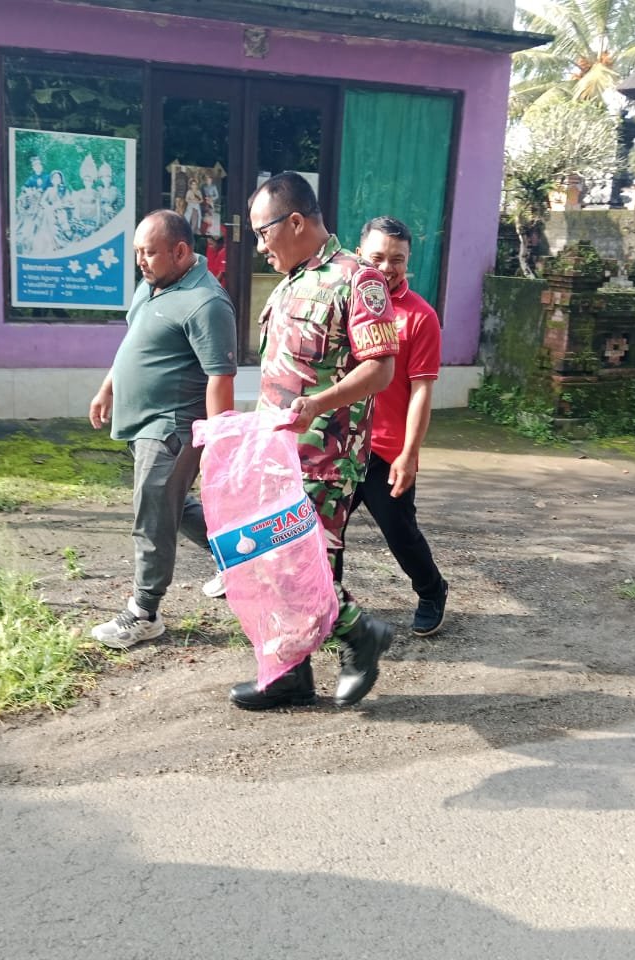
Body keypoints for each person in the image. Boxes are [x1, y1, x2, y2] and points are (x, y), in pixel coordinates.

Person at [228, 171, 398, 711]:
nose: (260, 246)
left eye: (263, 232)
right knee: (276, 561)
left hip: (326, 456)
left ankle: (360, 635)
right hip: (278, 455)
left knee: (294, 565)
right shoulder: (291, 282)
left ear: (296, 221)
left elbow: (380, 368)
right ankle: (290, 675)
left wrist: (318, 405)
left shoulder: (357, 280)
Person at [89, 210, 238, 647]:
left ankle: (144, 612)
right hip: (142, 422)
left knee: (152, 513)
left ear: (180, 251)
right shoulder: (153, 285)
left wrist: (218, 446)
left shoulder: (207, 303)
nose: (140, 260)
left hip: (172, 428)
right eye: (138, 251)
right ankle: (241, 559)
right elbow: (134, 341)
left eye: (149, 252)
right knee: (172, 504)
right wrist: (107, 388)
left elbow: (220, 378)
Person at [352, 216, 448, 636]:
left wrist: (409, 454)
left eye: (397, 259)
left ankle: (432, 590)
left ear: (408, 261)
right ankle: (328, 602)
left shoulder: (421, 317)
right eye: (377, 257)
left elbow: (422, 391)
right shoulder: (345, 302)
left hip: (386, 449)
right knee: (320, 531)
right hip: (340, 443)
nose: (386, 268)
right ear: (359, 255)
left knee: (399, 531)